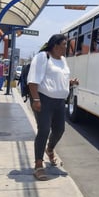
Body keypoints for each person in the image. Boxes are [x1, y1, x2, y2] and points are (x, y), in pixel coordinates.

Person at [27, 34, 79, 181]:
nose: (66, 47)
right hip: (44, 100)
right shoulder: (43, 57)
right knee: (44, 129)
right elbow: (33, 81)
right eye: (64, 44)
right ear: (55, 45)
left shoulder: (63, 60)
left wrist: (70, 82)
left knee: (59, 130)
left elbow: (57, 78)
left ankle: (49, 150)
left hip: (60, 101)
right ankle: (38, 164)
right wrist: (36, 99)